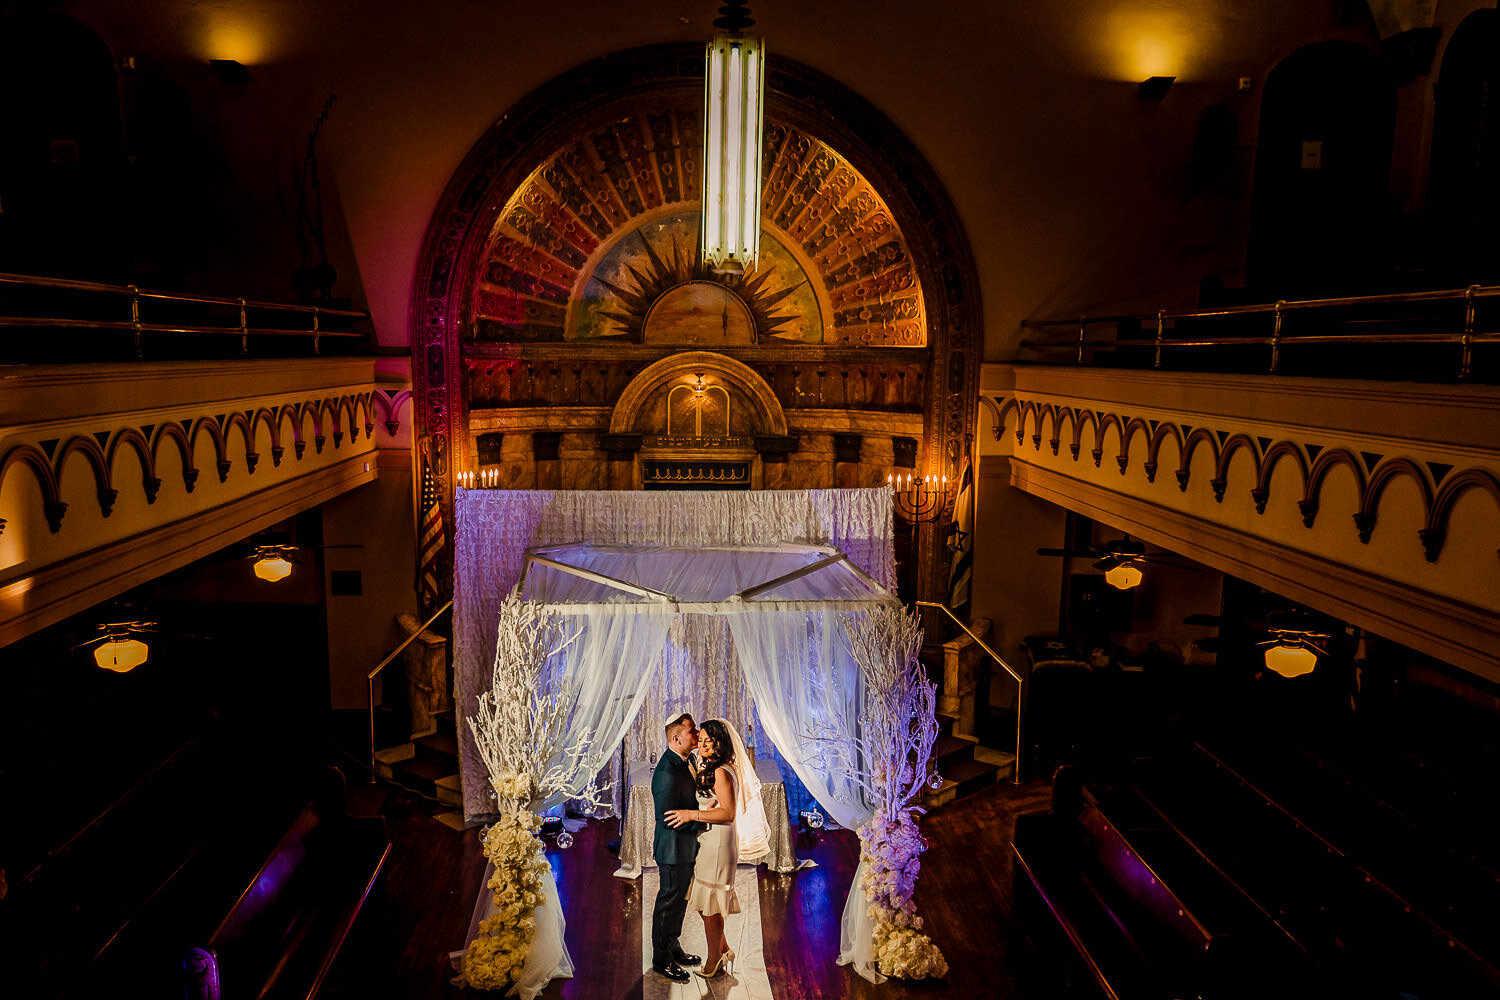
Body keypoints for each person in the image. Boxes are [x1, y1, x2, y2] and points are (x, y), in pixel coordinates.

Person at [665, 718, 746, 979]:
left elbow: (729, 813)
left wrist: (691, 814)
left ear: (719, 743)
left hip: (719, 844)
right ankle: (723, 949)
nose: (701, 746)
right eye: (700, 741)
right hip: (710, 841)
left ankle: (714, 960)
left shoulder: (722, 771)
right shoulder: (714, 767)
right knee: (705, 902)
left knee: (710, 905)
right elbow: (715, 805)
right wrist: (701, 811)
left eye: (708, 742)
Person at [650, 712, 703, 983]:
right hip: (672, 849)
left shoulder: (686, 760)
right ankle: (660, 958)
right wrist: (705, 824)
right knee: (668, 902)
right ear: (676, 737)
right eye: (692, 731)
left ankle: (673, 945)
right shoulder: (666, 771)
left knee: (680, 901)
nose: (696, 735)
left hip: (686, 847)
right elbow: (670, 818)